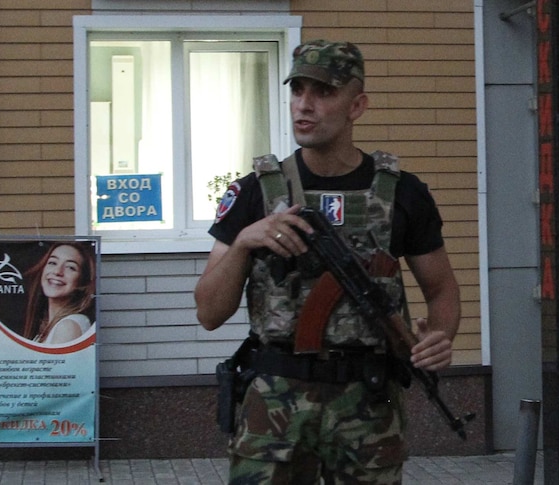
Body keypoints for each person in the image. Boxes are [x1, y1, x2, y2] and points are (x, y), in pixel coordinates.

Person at [194, 40, 461, 484]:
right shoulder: (254, 193)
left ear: (357, 105)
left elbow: (441, 288)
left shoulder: (404, 193)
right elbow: (208, 312)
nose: (305, 105)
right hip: (275, 400)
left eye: (323, 92)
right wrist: (244, 242)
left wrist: (440, 336)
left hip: (367, 402)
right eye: (298, 90)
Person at [22, 242, 96, 344]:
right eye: (53, 263)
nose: (57, 271)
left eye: (70, 267)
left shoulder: (68, 326)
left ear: (82, 282)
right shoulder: (48, 326)